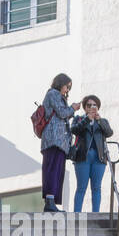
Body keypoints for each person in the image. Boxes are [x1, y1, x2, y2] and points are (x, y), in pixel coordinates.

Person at [70, 95, 114, 213]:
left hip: (98, 158)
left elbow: (109, 133)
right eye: (89, 105)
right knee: (81, 188)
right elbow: (74, 130)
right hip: (82, 156)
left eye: (94, 105)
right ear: (85, 107)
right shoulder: (79, 119)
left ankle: (96, 214)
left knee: (96, 188)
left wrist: (98, 120)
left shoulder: (103, 121)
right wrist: (87, 119)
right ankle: (77, 213)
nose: (92, 107)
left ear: (98, 107)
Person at [39, 73, 76, 212]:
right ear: (61, 83)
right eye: (67, 86)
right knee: (52, 170)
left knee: (57, 171)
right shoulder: (53, 93)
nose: (67, 90)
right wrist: (73, 108)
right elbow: (61, 112)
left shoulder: (57, 96)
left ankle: (52, 201)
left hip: (59, 141)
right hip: (53, 139)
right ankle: (49, 202)